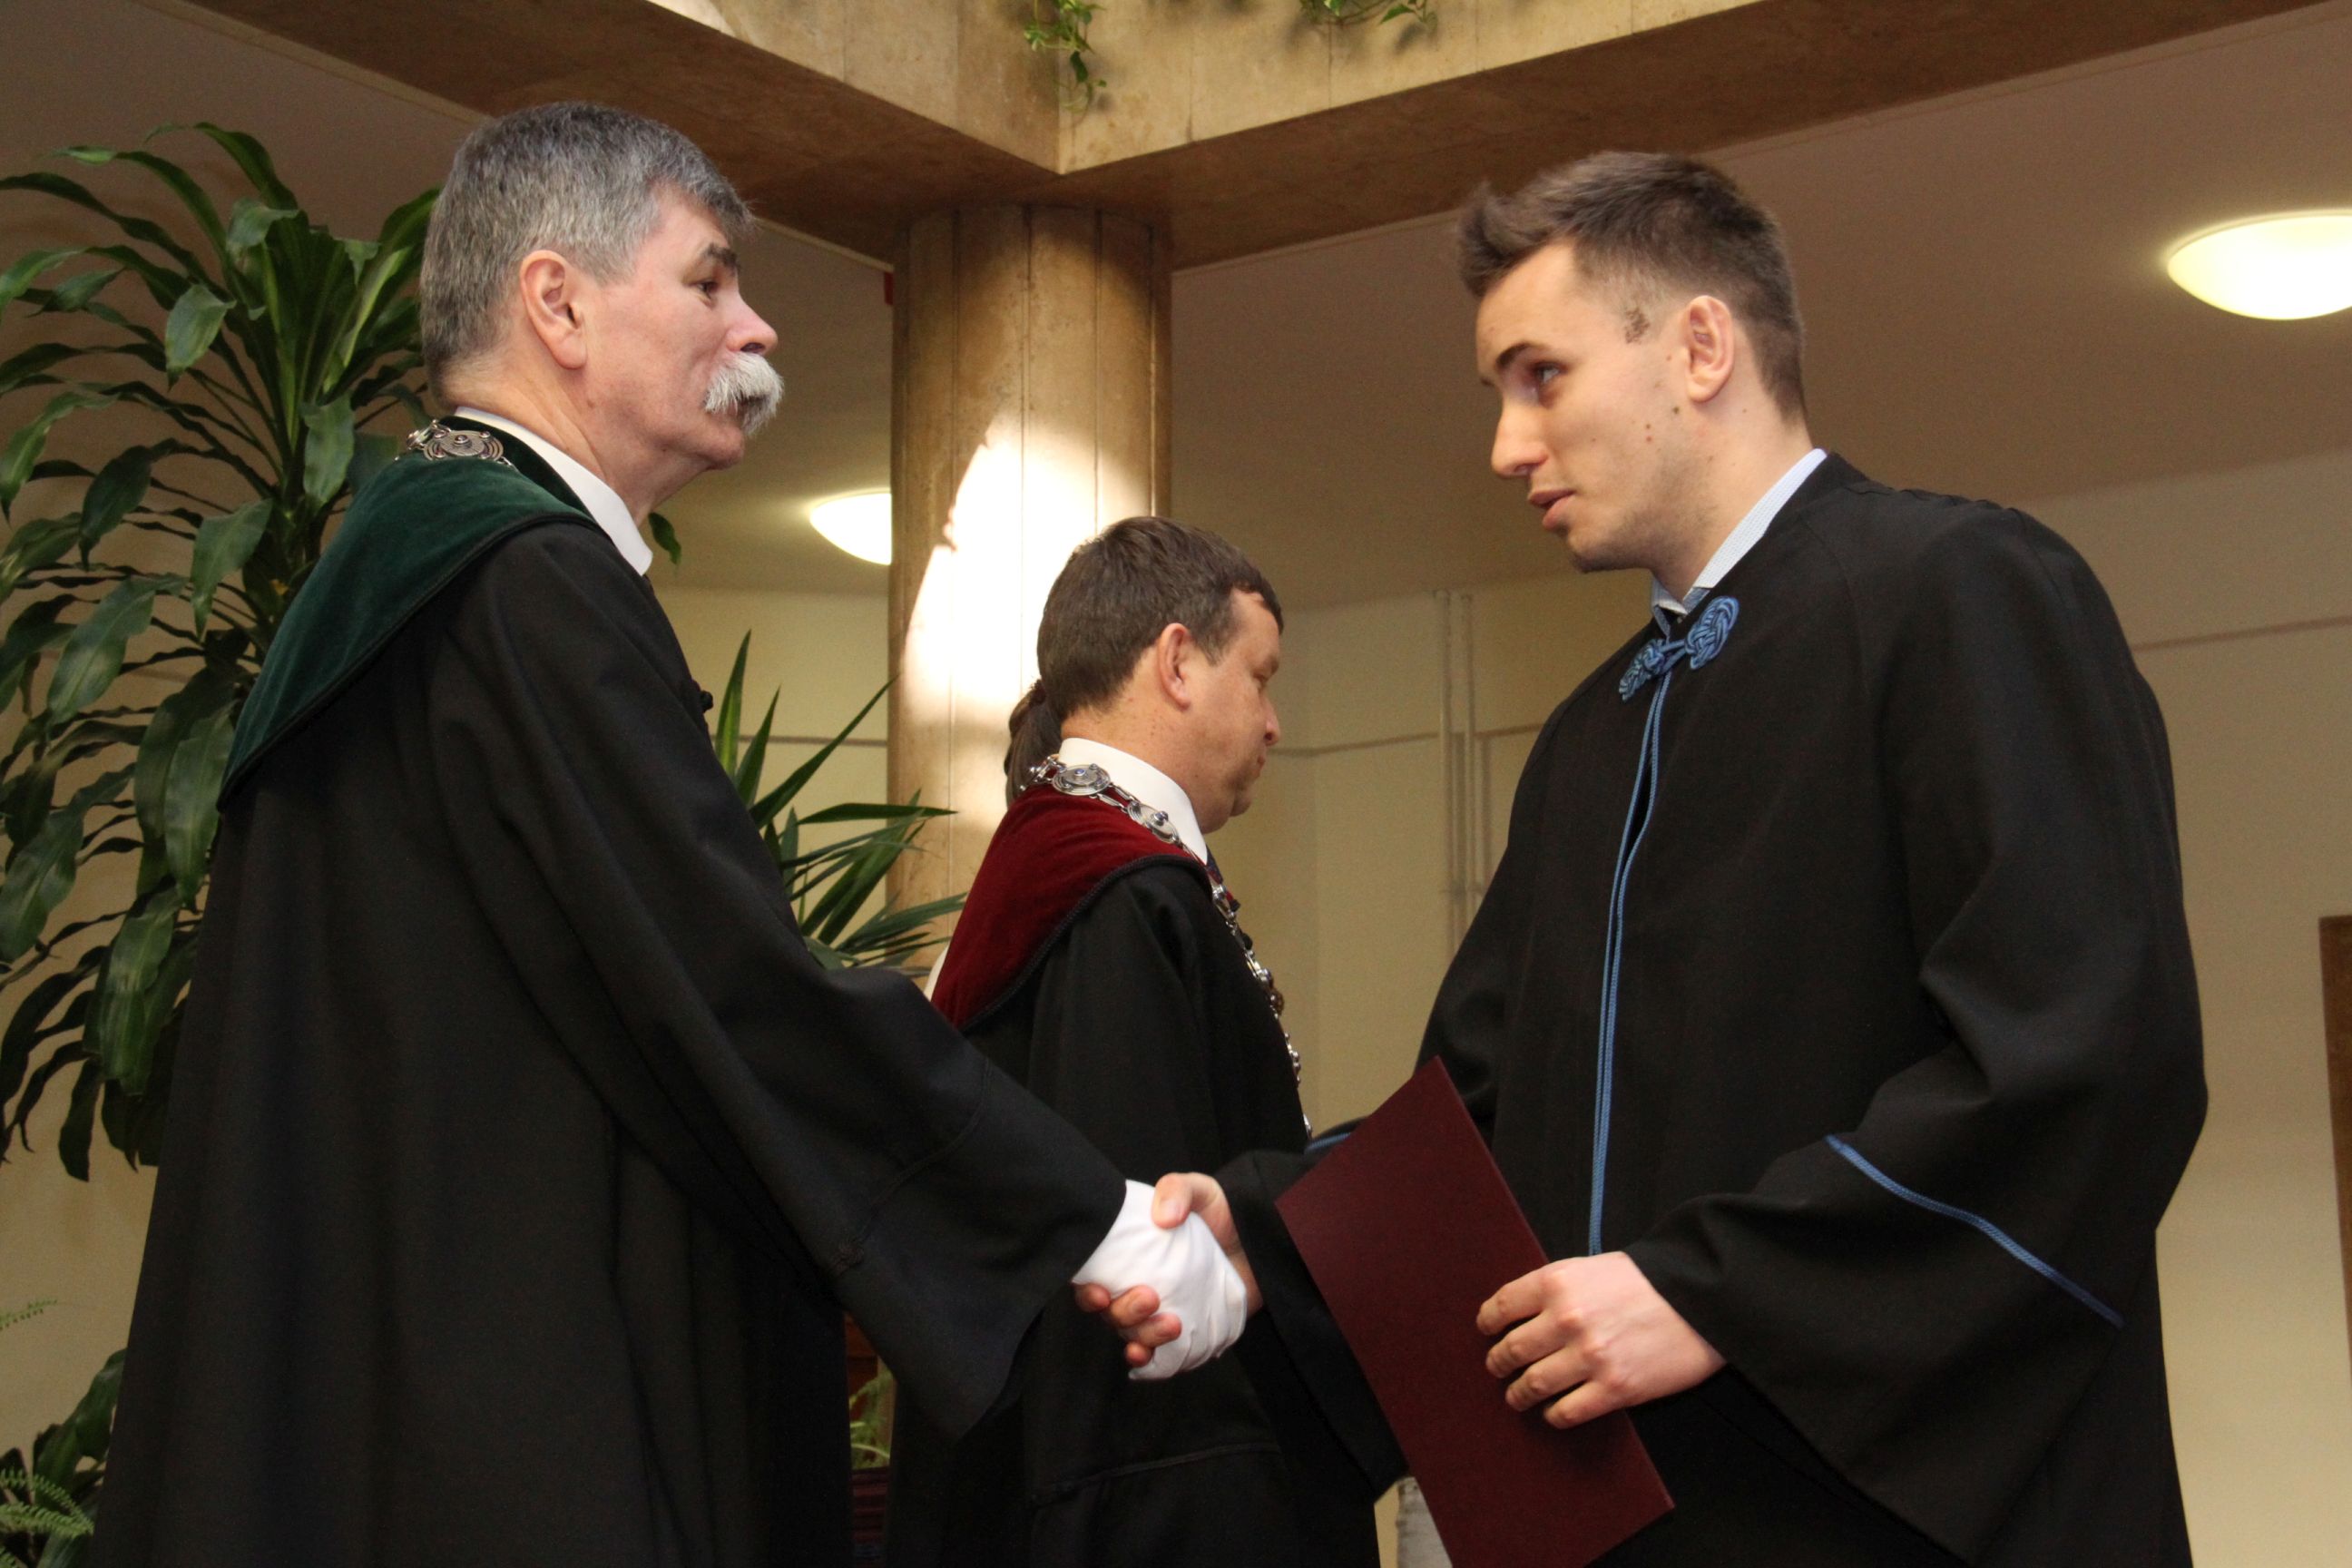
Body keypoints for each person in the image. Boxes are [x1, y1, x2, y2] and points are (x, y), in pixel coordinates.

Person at [93, 103, 1234, 1568]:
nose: (754, 326)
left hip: (394, 1398)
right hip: (530, 1423)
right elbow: (726, 987)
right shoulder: (524, 582)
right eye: (708, 278)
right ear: (557, 303)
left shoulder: (407, 569)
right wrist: (1091, 1219)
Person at [1121, 152, 2206, 1566]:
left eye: (1540, 377)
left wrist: (1713, 1292)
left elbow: (2084, 1050)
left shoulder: (1966, 590)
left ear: (1700, 347)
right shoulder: (1597, 732)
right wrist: (1271, 1230)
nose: (1507, 445)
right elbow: (1488, 1111)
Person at [887, 518, 1381, 1567]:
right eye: (1261, 678)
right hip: (1151, 1506)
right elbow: (1149, 1274)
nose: (1275, 723)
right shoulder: (1118, 894)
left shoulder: (1058, 868)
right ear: (1177, 663)